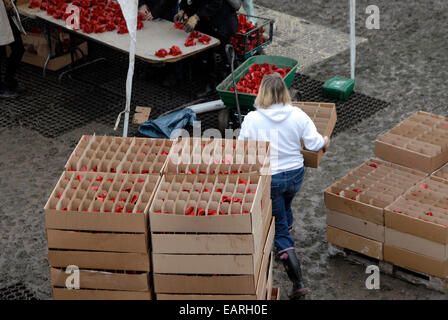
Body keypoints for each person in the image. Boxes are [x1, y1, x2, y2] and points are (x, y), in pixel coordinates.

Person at [238, 73, 330, 300]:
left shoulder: (252, 118)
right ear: (284, 93)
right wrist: (325, 142)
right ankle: (286, 243)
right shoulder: (297, 114)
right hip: (296, 176)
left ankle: (298, 284)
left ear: (262, 93)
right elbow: (314, 143)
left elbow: (241, 149)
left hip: (272, 178)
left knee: (279, 227)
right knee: (285, 205)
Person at [175, 0, 238, 97]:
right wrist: (182, 9)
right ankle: (212, 81)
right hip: (206, 21)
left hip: (221, 20)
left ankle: (219, 84)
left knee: (220, 53)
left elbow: (216, 3)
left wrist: (196, 16)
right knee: (208, 54)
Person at [0, 0, 25, 99]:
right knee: (1, 55)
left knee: (19, 49)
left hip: (5, 12)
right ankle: (1, 88)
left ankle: (9, 79)